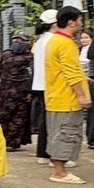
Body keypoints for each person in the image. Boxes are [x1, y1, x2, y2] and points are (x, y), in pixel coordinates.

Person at [43, 6, 92, 184]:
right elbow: (70, 73)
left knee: (60, 133)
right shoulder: (65, 43)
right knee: (65, 133)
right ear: (71, 22)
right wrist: (82, 96)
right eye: (79, 20)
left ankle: (59, 168)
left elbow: (66, 68)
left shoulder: (56, 40)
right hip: (66, 99)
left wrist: (84, 78)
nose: (81, 24)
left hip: (57, 96)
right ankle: (59, 172)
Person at [0, 30, 33, 151]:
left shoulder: (30, 57)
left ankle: (11, 142)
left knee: (17, 118)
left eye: (20, 40)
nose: (17, 42)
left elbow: (32, 75)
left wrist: (30, 92)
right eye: (16, 40)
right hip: (7, 92)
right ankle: (5, 141)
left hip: (20, 93)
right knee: (4, 116)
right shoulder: (8, 55)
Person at [31, 10, 59, 165]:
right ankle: (51, 154)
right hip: (51, 84)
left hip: (40, 84)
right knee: (54, 121)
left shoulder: (40, 40)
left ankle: (42, 153)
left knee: (45, 120)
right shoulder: (54, 40)